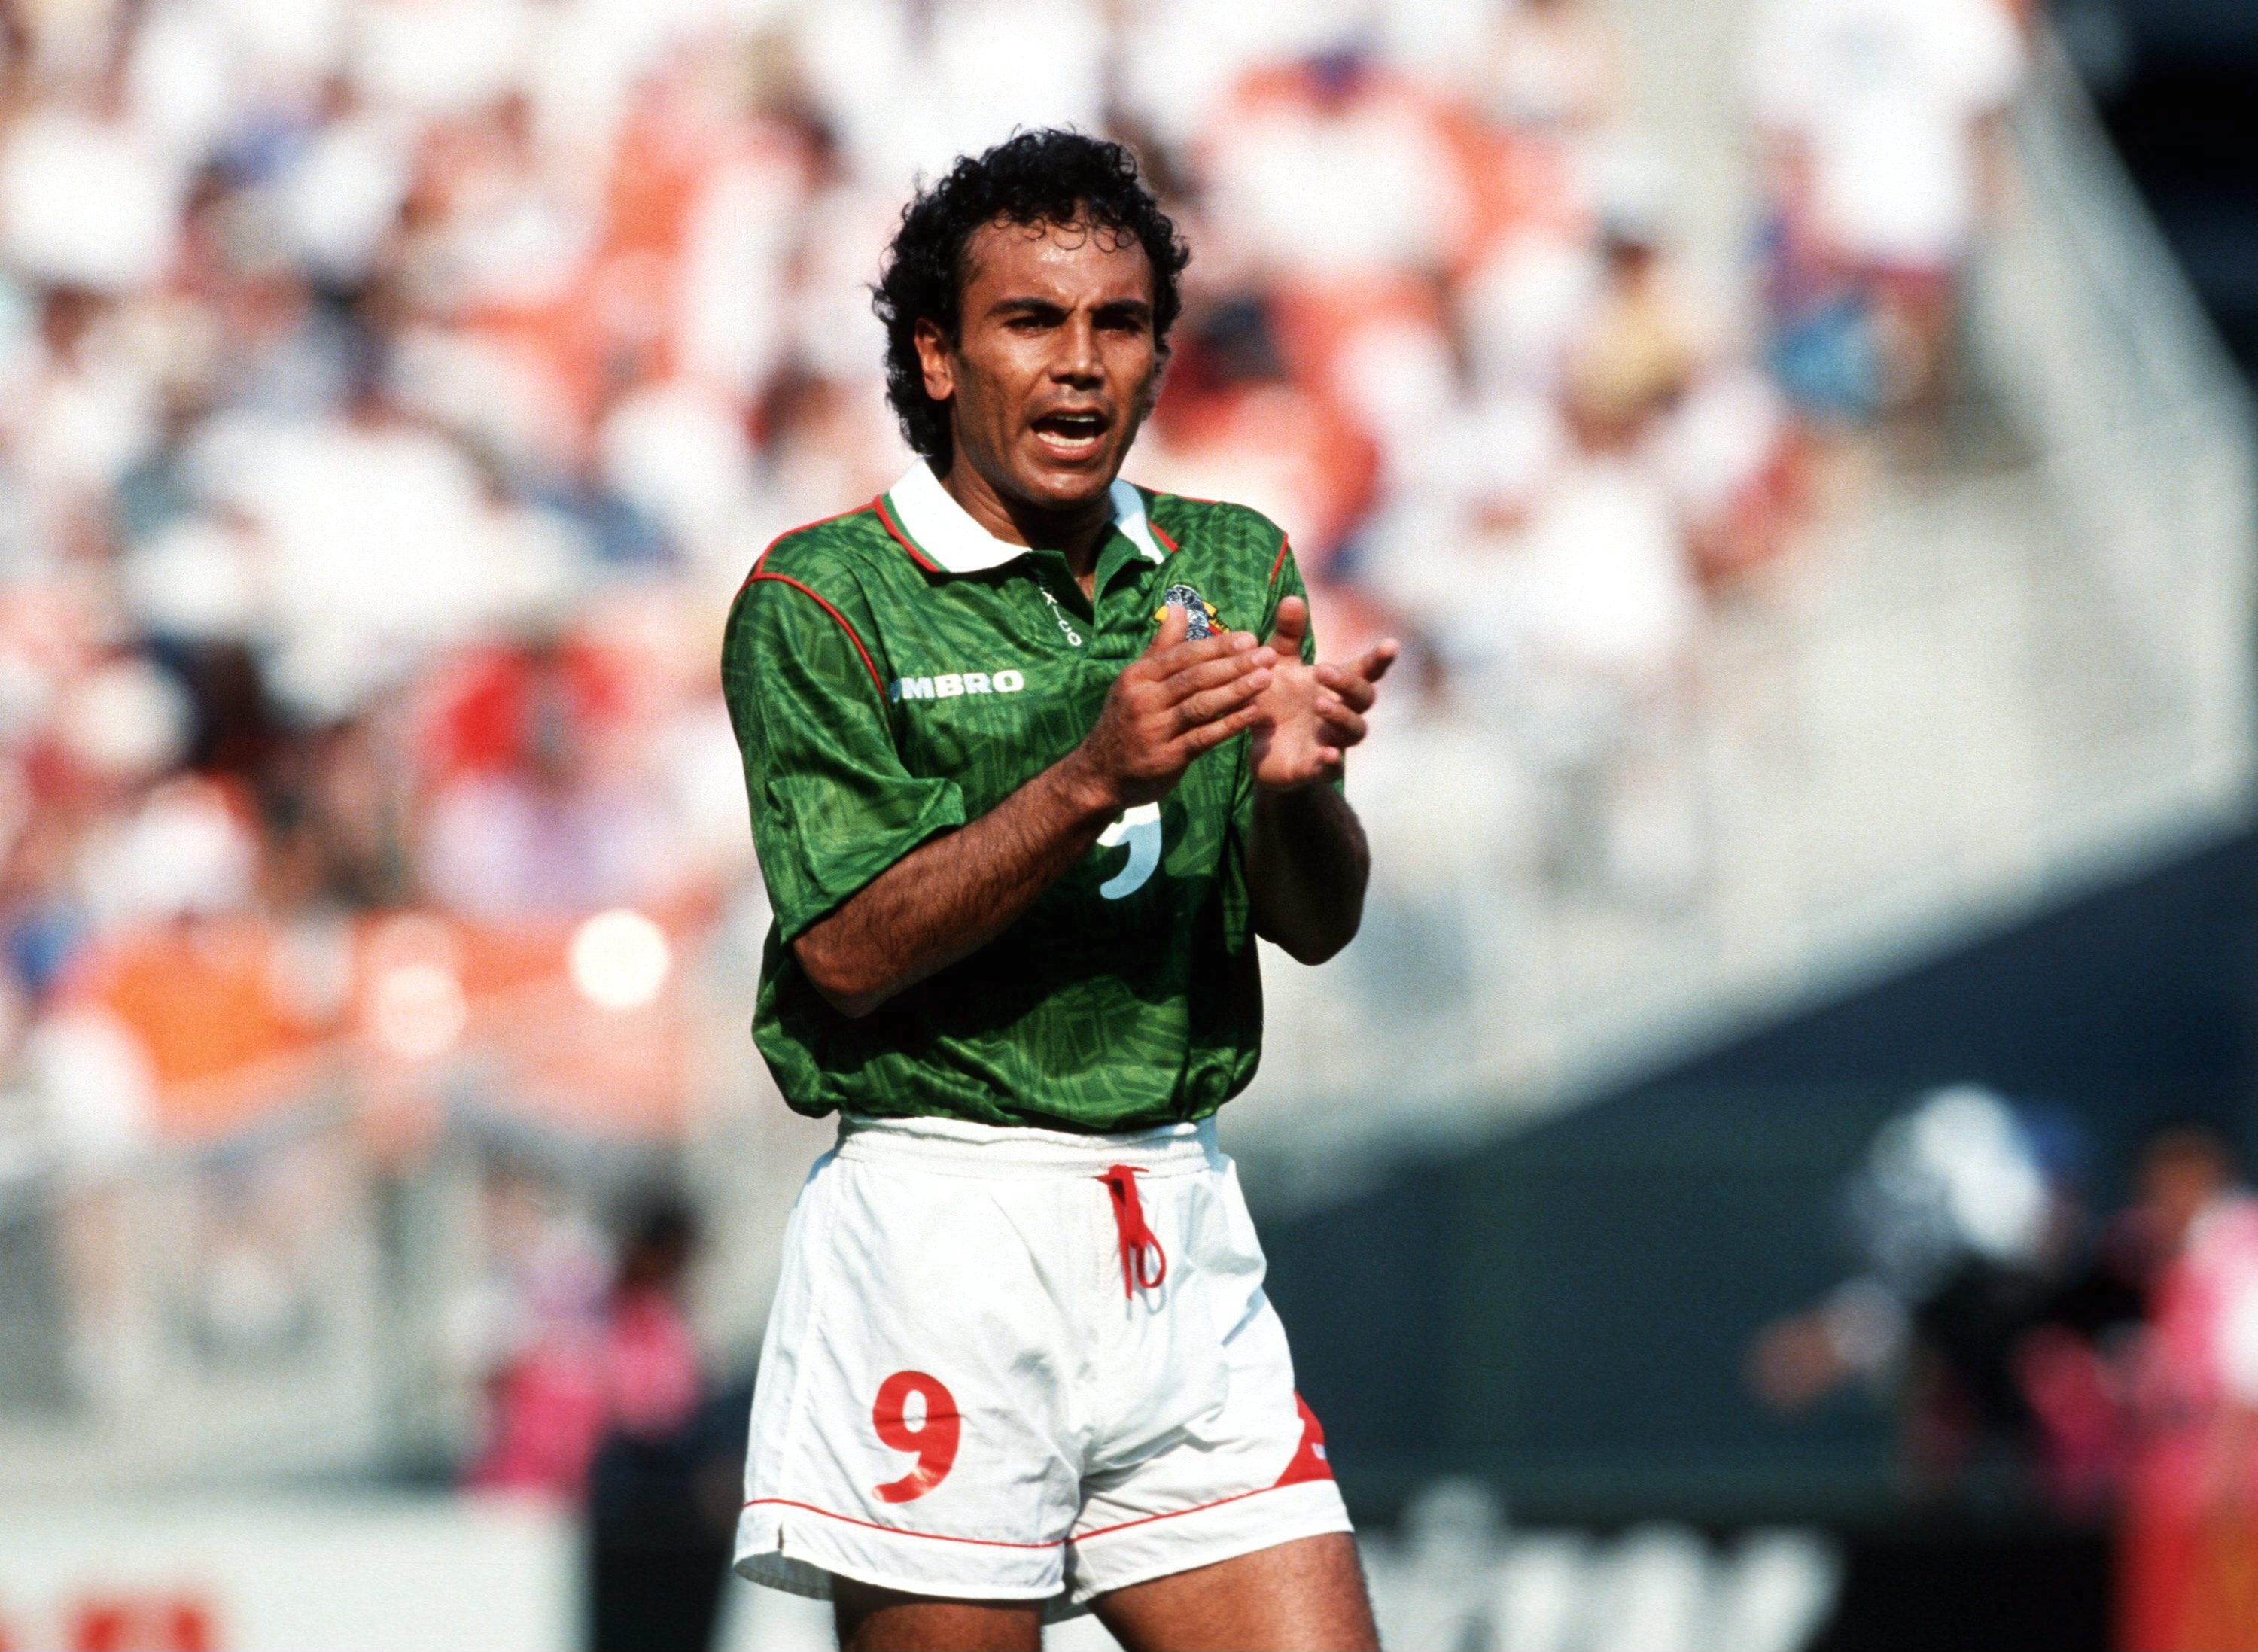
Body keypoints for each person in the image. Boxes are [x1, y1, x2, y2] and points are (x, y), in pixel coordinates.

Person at [722, 131, 1393, 1650]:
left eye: (1119, 323)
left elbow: (1317, 919)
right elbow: (843, 950)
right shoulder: (822, 597)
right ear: (938, 355)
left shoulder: (1228, 558)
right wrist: (1094, 775)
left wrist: (1299, 794)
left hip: (1177, 1217)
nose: (1081, 365)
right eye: (1032, 321)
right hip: (942, 1232)